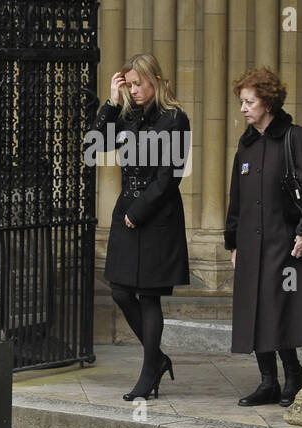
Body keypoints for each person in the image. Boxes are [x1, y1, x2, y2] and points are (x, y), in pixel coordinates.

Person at [89, 54, 190, 402]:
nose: (134, 90)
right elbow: (95, 146)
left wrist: (139, 211)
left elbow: (169, 177)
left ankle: (149, 371)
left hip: (156, 218)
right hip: (127, 213)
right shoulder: (128, 116)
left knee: (148, 296)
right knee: (119, 291)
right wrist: (111, 104)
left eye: (138, 84)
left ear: (157, 81)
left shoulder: (175, 119)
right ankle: (159, 359)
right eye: (129, 85)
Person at [225, 67, 302, 407]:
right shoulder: (246, 144)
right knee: (254, 311)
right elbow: (236, 196)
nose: (243, 108)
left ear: (267, 102)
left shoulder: (294, 137)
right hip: (251, 246)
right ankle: (268, 381)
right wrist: (233, 241)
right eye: (241, 102)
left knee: (279, 309)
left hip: (286, 245)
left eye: (249, 102)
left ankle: (294, 373)